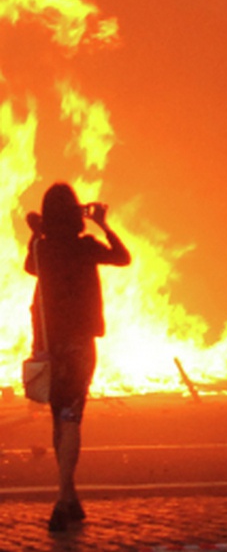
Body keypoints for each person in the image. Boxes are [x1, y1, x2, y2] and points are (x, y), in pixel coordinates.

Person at [23, 182, 132, 533]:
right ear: (75, 214)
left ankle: (70, 497)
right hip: (78, 344)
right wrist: (103, 223)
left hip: (49, 345)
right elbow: (123, 257)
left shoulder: (43, 249)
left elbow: (30, 265)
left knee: (59, 419)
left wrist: (38, 232)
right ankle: (61, 500)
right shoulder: (85, 247)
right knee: (71, 418)